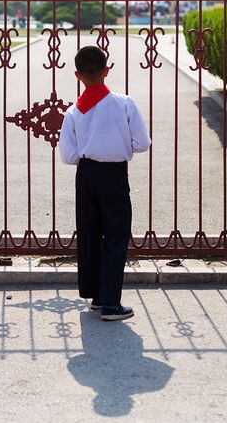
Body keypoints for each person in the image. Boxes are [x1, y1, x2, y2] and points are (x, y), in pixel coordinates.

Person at [59, 46, 151, 321]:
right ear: (107, 70)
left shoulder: (74, 111)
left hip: (86, 175)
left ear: (78, 75)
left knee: (89, 235)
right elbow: (142, 144)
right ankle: (111, 303)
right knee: (115, 236)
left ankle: (97, 297)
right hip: (113, 175)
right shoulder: (124, 103)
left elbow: (68, 155)